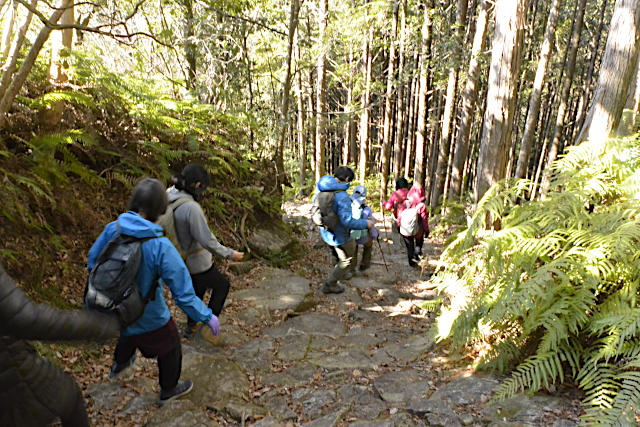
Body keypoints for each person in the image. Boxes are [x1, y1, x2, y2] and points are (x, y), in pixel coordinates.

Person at [88, 178, 219, 405]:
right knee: (170, 346)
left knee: (128, 331)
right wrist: (207, 316)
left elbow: (93, 262)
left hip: (111, 306)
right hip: (148, 315)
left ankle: (118, 366)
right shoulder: (160, 245)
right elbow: (184, 294)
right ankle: (169, 389)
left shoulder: (113, 228)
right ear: (161, 208)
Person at [0, 261, 119, 427]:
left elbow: (93, 257)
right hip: (16, 383)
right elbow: (28, 319)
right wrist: (96, 326)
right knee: (70, 397)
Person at [164, 164, 244, 339]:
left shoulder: (168, 195)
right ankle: (208, 324)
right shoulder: (191, 208)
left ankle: (191, 327)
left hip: (178, 258)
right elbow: (207, 240)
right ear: (198, 185)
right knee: (222, 286)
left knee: (197, 290)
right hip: (196, 260)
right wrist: (231, 254)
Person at [315, 166, 373, 294]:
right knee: (346, 260)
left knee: (336, 252)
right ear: (346, 179)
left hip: (326, 231)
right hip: (340, 234)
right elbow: (347, 221)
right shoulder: (342, 196)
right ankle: (330, 283)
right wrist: (365, 223)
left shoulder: (321, 189)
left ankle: (339, 273)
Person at [349, 185, 379, 272]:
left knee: (353, 249)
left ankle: (352, 267)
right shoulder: (366, 209)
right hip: (363, 235)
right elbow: (371, 225)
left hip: (351, 234)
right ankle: (364, 264)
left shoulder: (348, 206)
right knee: (368, 246)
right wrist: (375, 235)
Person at [400, 183, 430, 267]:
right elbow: (424, 220)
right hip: (418, 231)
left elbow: (400, 215)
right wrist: (427, 230)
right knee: (419, 244)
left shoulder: (406, 203)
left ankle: (411, 262)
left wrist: (399, 226)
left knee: (409, 247)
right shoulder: (422, 206)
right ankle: (416, 258)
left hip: (406, 228)